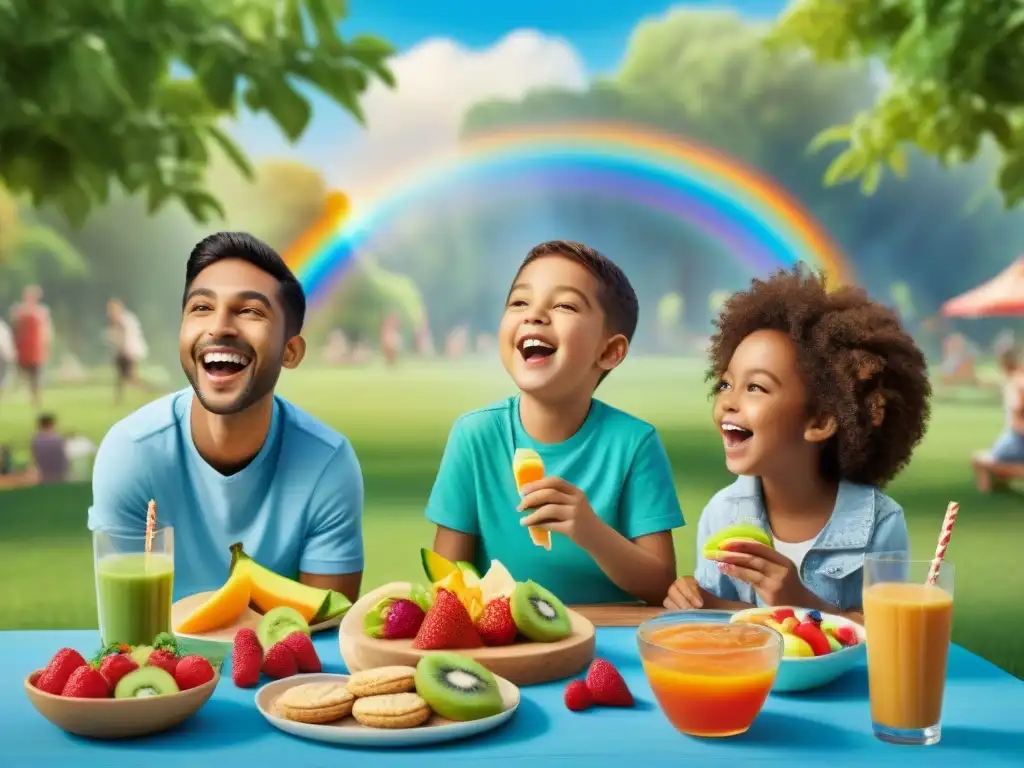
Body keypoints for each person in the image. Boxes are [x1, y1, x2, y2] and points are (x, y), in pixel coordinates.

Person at [88, 232, 365, 601]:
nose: (218, 327)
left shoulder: (327, 465)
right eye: (201, 308)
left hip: (278, 661)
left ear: (291, 351)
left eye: (250, 311)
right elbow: (127, 638)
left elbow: (325, 631)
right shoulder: (131, 453)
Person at [664, 267, 931, 622]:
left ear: (819, 421)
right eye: (726, 384)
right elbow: (723, 629)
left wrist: (799, 600)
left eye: (756, 387)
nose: (728, 401)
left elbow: (889, 629)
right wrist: (699, 601)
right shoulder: (722, 512)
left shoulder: (879, 523)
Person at [425, 240, 683, 605]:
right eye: (519, 302)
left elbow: (661, 585)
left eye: (564, 305)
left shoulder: (634, 443)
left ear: (610, 352)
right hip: (505, 646)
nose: (534, 315)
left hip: (604, 644)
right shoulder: (474, 437)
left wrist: (592, 532)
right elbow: (448, 587)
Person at [10, 285, 53, 407]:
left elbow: (47, 331)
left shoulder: (42, 311)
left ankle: (35, 398)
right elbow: (15, 329)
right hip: (24, 349)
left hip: (37, 349)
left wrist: (47, 344)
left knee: (36, 376)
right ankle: (26, 395)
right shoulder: (20, 312)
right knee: (24, 375)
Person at [105, 298, 152, 403]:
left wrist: (122, 349)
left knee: (131, 377)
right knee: (120, 377)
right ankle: (118, 400)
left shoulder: (123, 321)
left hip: (129, 352)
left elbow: (126, 337)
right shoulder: (118, 320)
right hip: (123, 352)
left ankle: (150, 390)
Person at [989, 346, 1024, 462]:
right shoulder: (1016, 379)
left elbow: (1018, 412)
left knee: (994, 456)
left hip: (1019, 438)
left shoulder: (1016, 383)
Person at [31, 413, 69, 484]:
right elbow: (63, 458)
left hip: (43, 474)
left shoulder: (36, 439)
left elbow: (34, 457)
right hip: (58, 473)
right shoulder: (57, 439)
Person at [0, 315, 13, 396]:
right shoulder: (3, 327)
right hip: (5, 355)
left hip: (4, 355)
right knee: (3, 376)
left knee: (3, 376)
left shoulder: (3, 328)